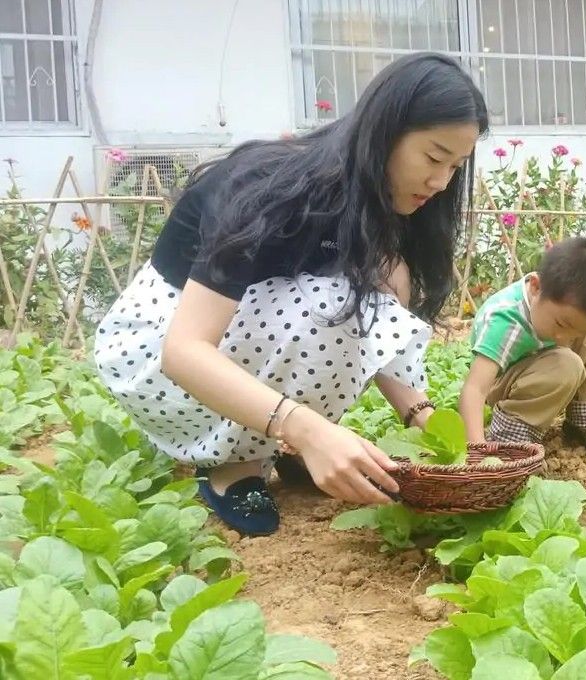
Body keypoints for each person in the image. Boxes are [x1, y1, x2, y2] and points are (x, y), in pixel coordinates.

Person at [94, 52, 488, 536]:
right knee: (329, 305)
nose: (440, 181)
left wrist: (424, 418)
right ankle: (237, 465)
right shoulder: (268, 187)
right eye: (432, 157)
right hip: (156, 355)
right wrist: (309, 428)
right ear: (385, 131)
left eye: (455, 166)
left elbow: (379, 321)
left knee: (387, 276)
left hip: (237, 343)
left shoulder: (376, 202)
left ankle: (286, 439)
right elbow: (183, 351)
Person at [458, 237, 586, 457]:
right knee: (566, 364)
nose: (565, 337)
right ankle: (512, 438)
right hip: (505, 384)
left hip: (543, 364)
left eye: (577, 332)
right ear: (535, 287)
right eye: (561, 324)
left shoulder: (557, 311)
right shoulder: (505, 322)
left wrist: (577, 330)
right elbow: (475, 389)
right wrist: (476, 448)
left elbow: (575, 330)